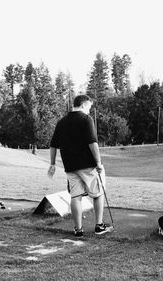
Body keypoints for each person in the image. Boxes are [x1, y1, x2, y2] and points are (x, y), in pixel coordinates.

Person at [48, 95, 113, 237]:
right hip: (88, 165)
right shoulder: (86, 119)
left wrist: (52, 164)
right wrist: (98, 163)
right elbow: (92, 143)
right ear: (83, 105)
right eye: (89, 106)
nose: (89, 110)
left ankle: (78, 230)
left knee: (75, 196)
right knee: (98, 193)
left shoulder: (61, 122)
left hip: (70, 166)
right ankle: (99, 226)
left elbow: (53, 145)